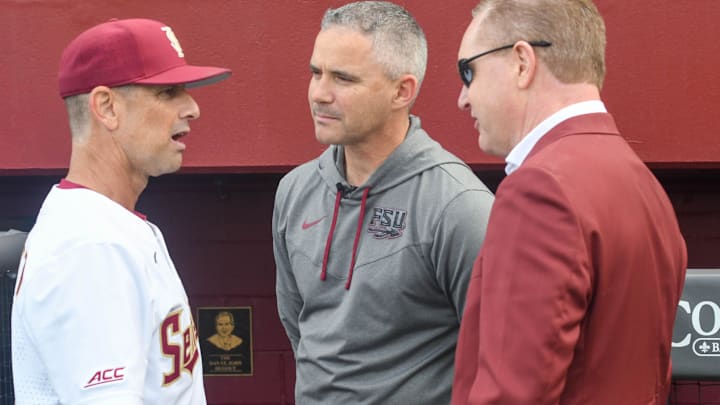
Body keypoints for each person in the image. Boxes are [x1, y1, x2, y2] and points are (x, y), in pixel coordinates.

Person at [451, 1, 687, 404]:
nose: (462, 98)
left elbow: (512, 392)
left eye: (467, 71)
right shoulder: (644, 186)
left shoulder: (539, 190)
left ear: (522, 62)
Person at [272, 1, 494, 403]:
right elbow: (298, 325)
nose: (320, 94)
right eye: (315, 73)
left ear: (402, 91)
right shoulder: (294, 191)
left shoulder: (459, 206)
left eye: (343, 78)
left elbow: (497, 358)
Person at [11, 18, 230, 404]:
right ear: (107, 107)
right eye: (167, 92)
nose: (192, 108)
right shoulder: (90, 247)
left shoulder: (107, 225)